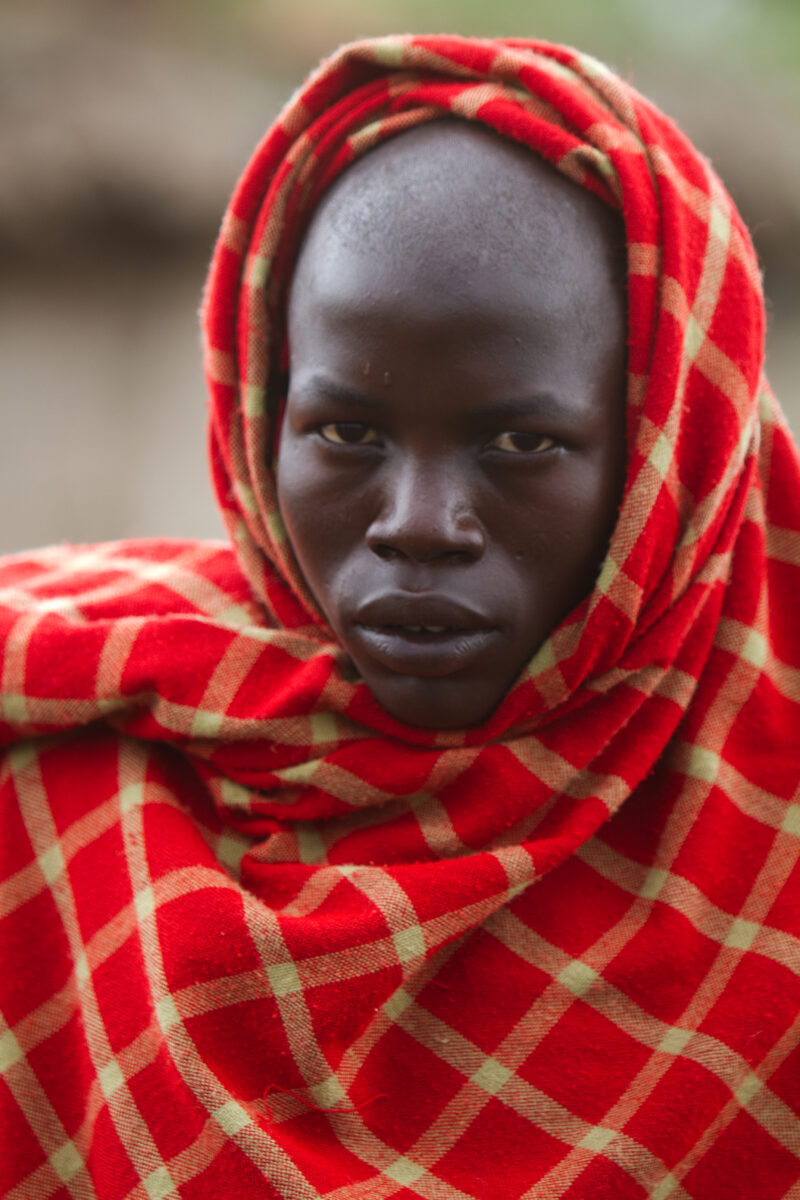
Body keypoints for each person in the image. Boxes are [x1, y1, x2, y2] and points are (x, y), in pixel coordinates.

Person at [1, 32, 799, 1199]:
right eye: (346, 433)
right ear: (258, 408)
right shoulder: (66, 761)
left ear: (663, 460)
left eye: (521, 443)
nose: (419, 525)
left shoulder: (766, 832)